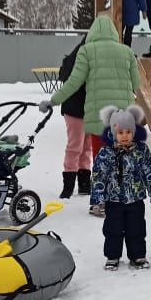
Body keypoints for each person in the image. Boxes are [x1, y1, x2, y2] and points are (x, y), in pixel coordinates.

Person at [39, 15, 139, 214]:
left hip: (100, 117)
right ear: (114, 32)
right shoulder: (126, 51)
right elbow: (136, 84)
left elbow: (74, 82)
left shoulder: (87, 51)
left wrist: (52, 101)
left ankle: (100, 203)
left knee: (101, 160)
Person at [91, 104, 151, 270]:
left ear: (134, 131)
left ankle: (138, 256)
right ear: (113, 132)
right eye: (120, 132)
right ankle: (112, 256)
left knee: (136, 229)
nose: (125, 136)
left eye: (128, 132)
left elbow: (149, 171)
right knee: (112, 229)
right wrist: (98, 199)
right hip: (113, 200)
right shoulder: (106, 152)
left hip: (136, 199)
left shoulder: (141, 151)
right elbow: (98, 176)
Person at [55, 36, 91, 198]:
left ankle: (84, 184)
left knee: (86, 148)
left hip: (88, 109)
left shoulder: (82, 53)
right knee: (75, 147)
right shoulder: (80, 57)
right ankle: (68, 187)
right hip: (74, 108)